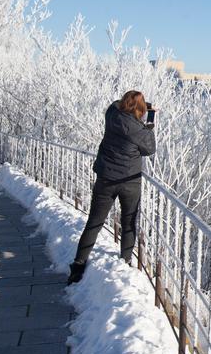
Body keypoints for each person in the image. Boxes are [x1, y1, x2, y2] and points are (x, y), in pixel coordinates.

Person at [67, 90, 156, 284]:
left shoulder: (112, 114)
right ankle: (124, 262)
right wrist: (149, 121)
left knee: (94, 222)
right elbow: (149, 149)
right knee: (128, 222)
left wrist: (135, 105)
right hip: (130, 182)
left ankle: (78, 265)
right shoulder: (139, 130)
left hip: (106, 179)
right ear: (140, 109)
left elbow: (117, 103)